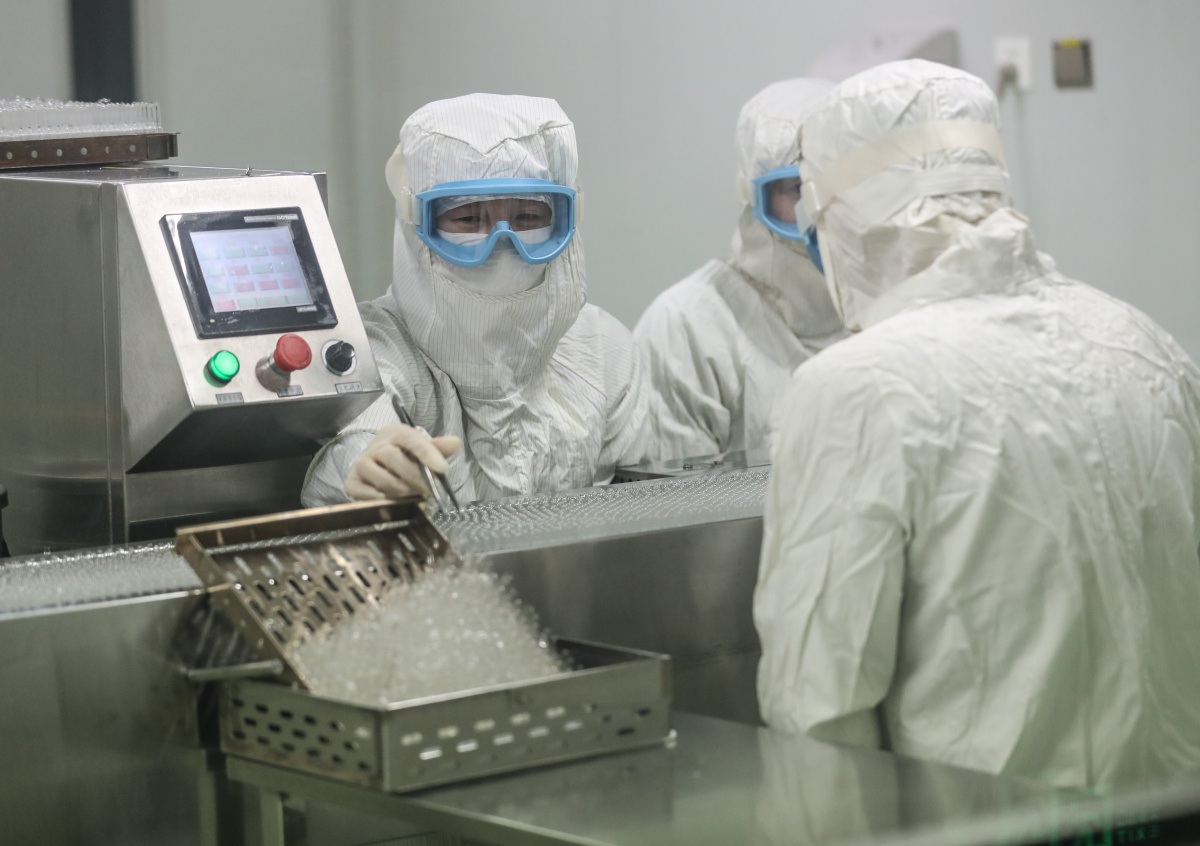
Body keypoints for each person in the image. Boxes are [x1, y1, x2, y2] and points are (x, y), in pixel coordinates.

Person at [754, 59, 1200, 788]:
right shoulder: (1143, 341)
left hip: (988, 823)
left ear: (846, 220)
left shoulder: (854, 392)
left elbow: (820, 714)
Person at [302, 94, 647, 506]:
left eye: (529, 218)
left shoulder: (605, 350)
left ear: (567, 217)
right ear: (417, 222)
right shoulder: (375, 349)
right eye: (468, 219)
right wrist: (365, 465)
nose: (502, 243)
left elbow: (641, 505)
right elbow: (349, 446)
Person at [633, 78, 845, 460]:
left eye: (838, 182)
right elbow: (683, 497)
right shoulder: (688, 328)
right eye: (798, 188)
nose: (820, 208)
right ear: (755, 197)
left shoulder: (891, 307)